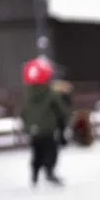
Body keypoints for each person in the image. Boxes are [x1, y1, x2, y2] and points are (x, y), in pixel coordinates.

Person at [20, 58, 69, 186]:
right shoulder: (51, 93)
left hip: (33, 130)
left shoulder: (27, 95)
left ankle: (34, 175)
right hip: (48, 129)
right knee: (51, 150)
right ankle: (49, 172)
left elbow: (22, 112)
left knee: (37, 152)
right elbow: (61, 110)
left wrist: (27, 126)